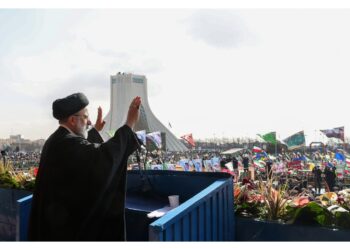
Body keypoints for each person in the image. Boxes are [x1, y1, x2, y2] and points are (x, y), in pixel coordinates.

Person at [28, 92, 141, 241]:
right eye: (86, 117)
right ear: (73, 120)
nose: (89, 123)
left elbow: (84, 155)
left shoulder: (57, 139)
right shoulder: (67, 143)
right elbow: (102, 159)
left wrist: (94, 132)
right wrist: (129, 125)